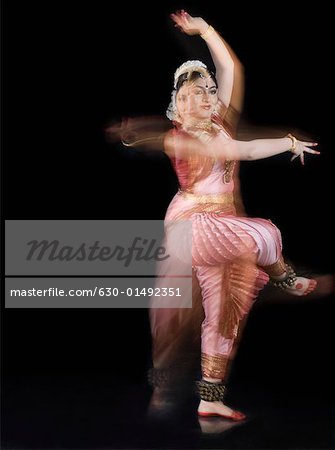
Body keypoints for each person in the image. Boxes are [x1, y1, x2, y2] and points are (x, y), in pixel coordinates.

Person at [112, 10, 320, 421]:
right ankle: (285, 276)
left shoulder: (218, 122)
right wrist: (287, 140)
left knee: (225, 309)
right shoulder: (180, 138)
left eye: (208, 90)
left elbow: (230, 67)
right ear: (177, 105)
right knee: (262, 234)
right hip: (195, 227)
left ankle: (210, 397)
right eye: (192, 93)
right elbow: (239, 152)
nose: (205, 97)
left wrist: (205, 30)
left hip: (222, 228)